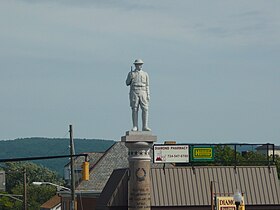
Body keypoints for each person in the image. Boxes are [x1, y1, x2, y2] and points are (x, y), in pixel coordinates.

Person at [126, 59, 151, 131]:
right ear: (135, 65)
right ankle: (135, 126)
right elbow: (127, 83)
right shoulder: (131, 73)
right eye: (138, 64)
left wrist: (148, 94)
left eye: (141, 64)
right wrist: (130, 78)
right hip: (134, 91)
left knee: (145, 108)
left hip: (143, 91)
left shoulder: (145, 74)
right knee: (134, 108)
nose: (140, 66)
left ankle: (145, 126)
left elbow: (147, 85)